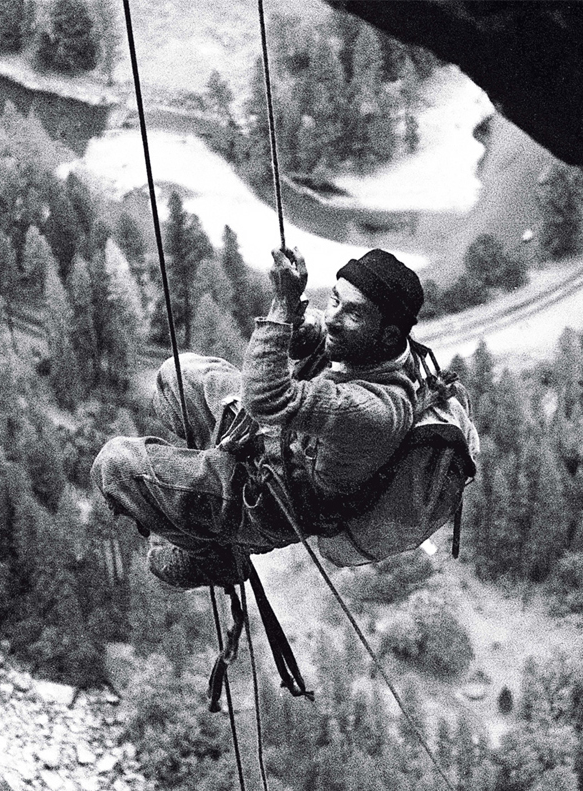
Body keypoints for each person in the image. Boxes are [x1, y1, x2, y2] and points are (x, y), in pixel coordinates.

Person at [92, 246, 427, 589]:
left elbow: (266, 400)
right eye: (335, 300)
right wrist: (296, 324)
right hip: (273, 443)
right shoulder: (372, 348)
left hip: (271, 501)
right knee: (176, 375)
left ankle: (218, 557)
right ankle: (197, 486)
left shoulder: (374, 410)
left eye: (352, 314)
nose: (332, 318)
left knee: (115, 467)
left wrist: (281, 308)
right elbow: (317, 341)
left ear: (387, 336)